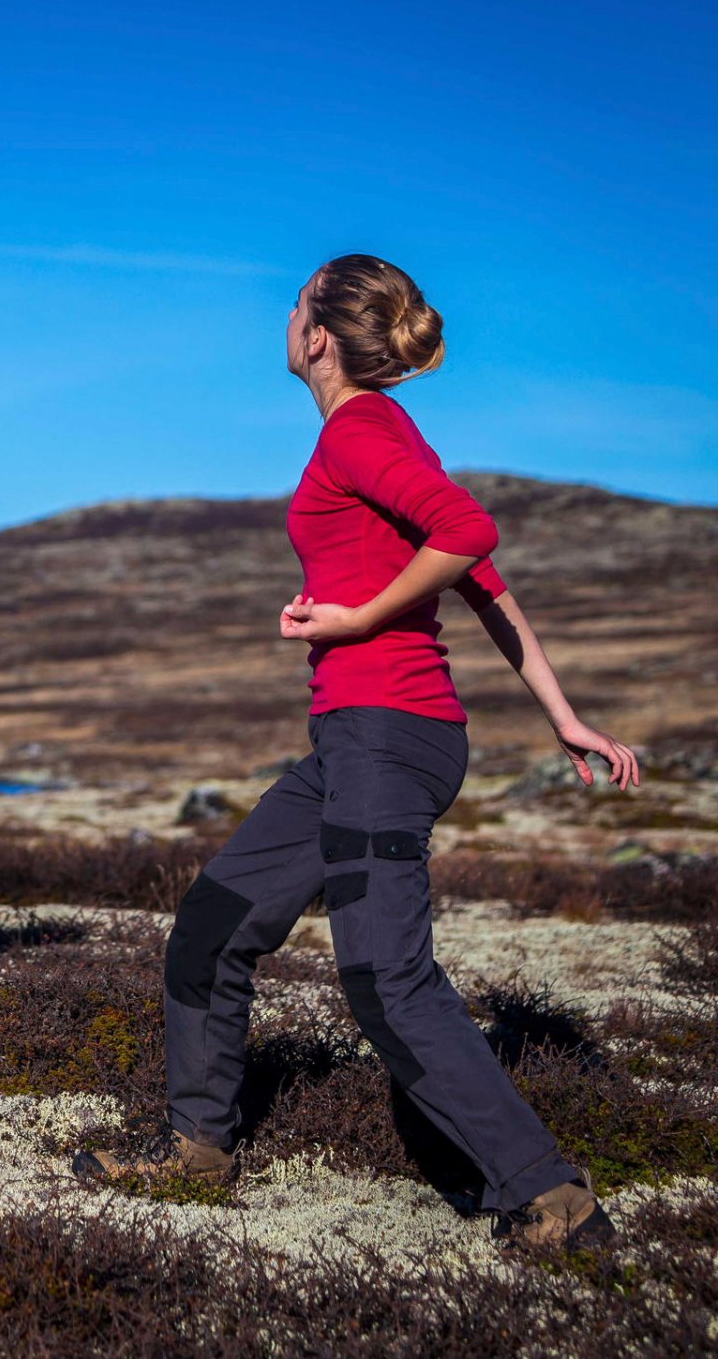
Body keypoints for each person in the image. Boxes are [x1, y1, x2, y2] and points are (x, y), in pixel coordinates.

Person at [74, 254, 640, 1252]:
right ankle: (199, 1143)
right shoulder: (379, 434)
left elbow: (469, 532)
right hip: (354, 742)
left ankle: (551, 1196)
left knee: (385, 979)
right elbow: (485, 580)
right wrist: (561, 713)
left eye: (294, 304)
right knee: (212, 925)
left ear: (320, 337)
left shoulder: (362, 432)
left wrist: (359, 615)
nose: (285, 319)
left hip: (387, 732)